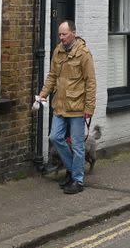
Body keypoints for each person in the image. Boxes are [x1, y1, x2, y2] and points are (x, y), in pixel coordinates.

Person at [36, 20, 96, 195]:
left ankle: (77, 180)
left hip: (77, 106)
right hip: (61, 104)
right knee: (55, 137)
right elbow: (52, 76)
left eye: (64, 34)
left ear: (73, 33)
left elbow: (91, 82)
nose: (61, 38)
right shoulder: (58, 51)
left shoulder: (84, 54)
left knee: (77, 145)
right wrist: (43, 94)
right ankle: (73, 169)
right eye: (60, 34)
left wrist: (89, 108)